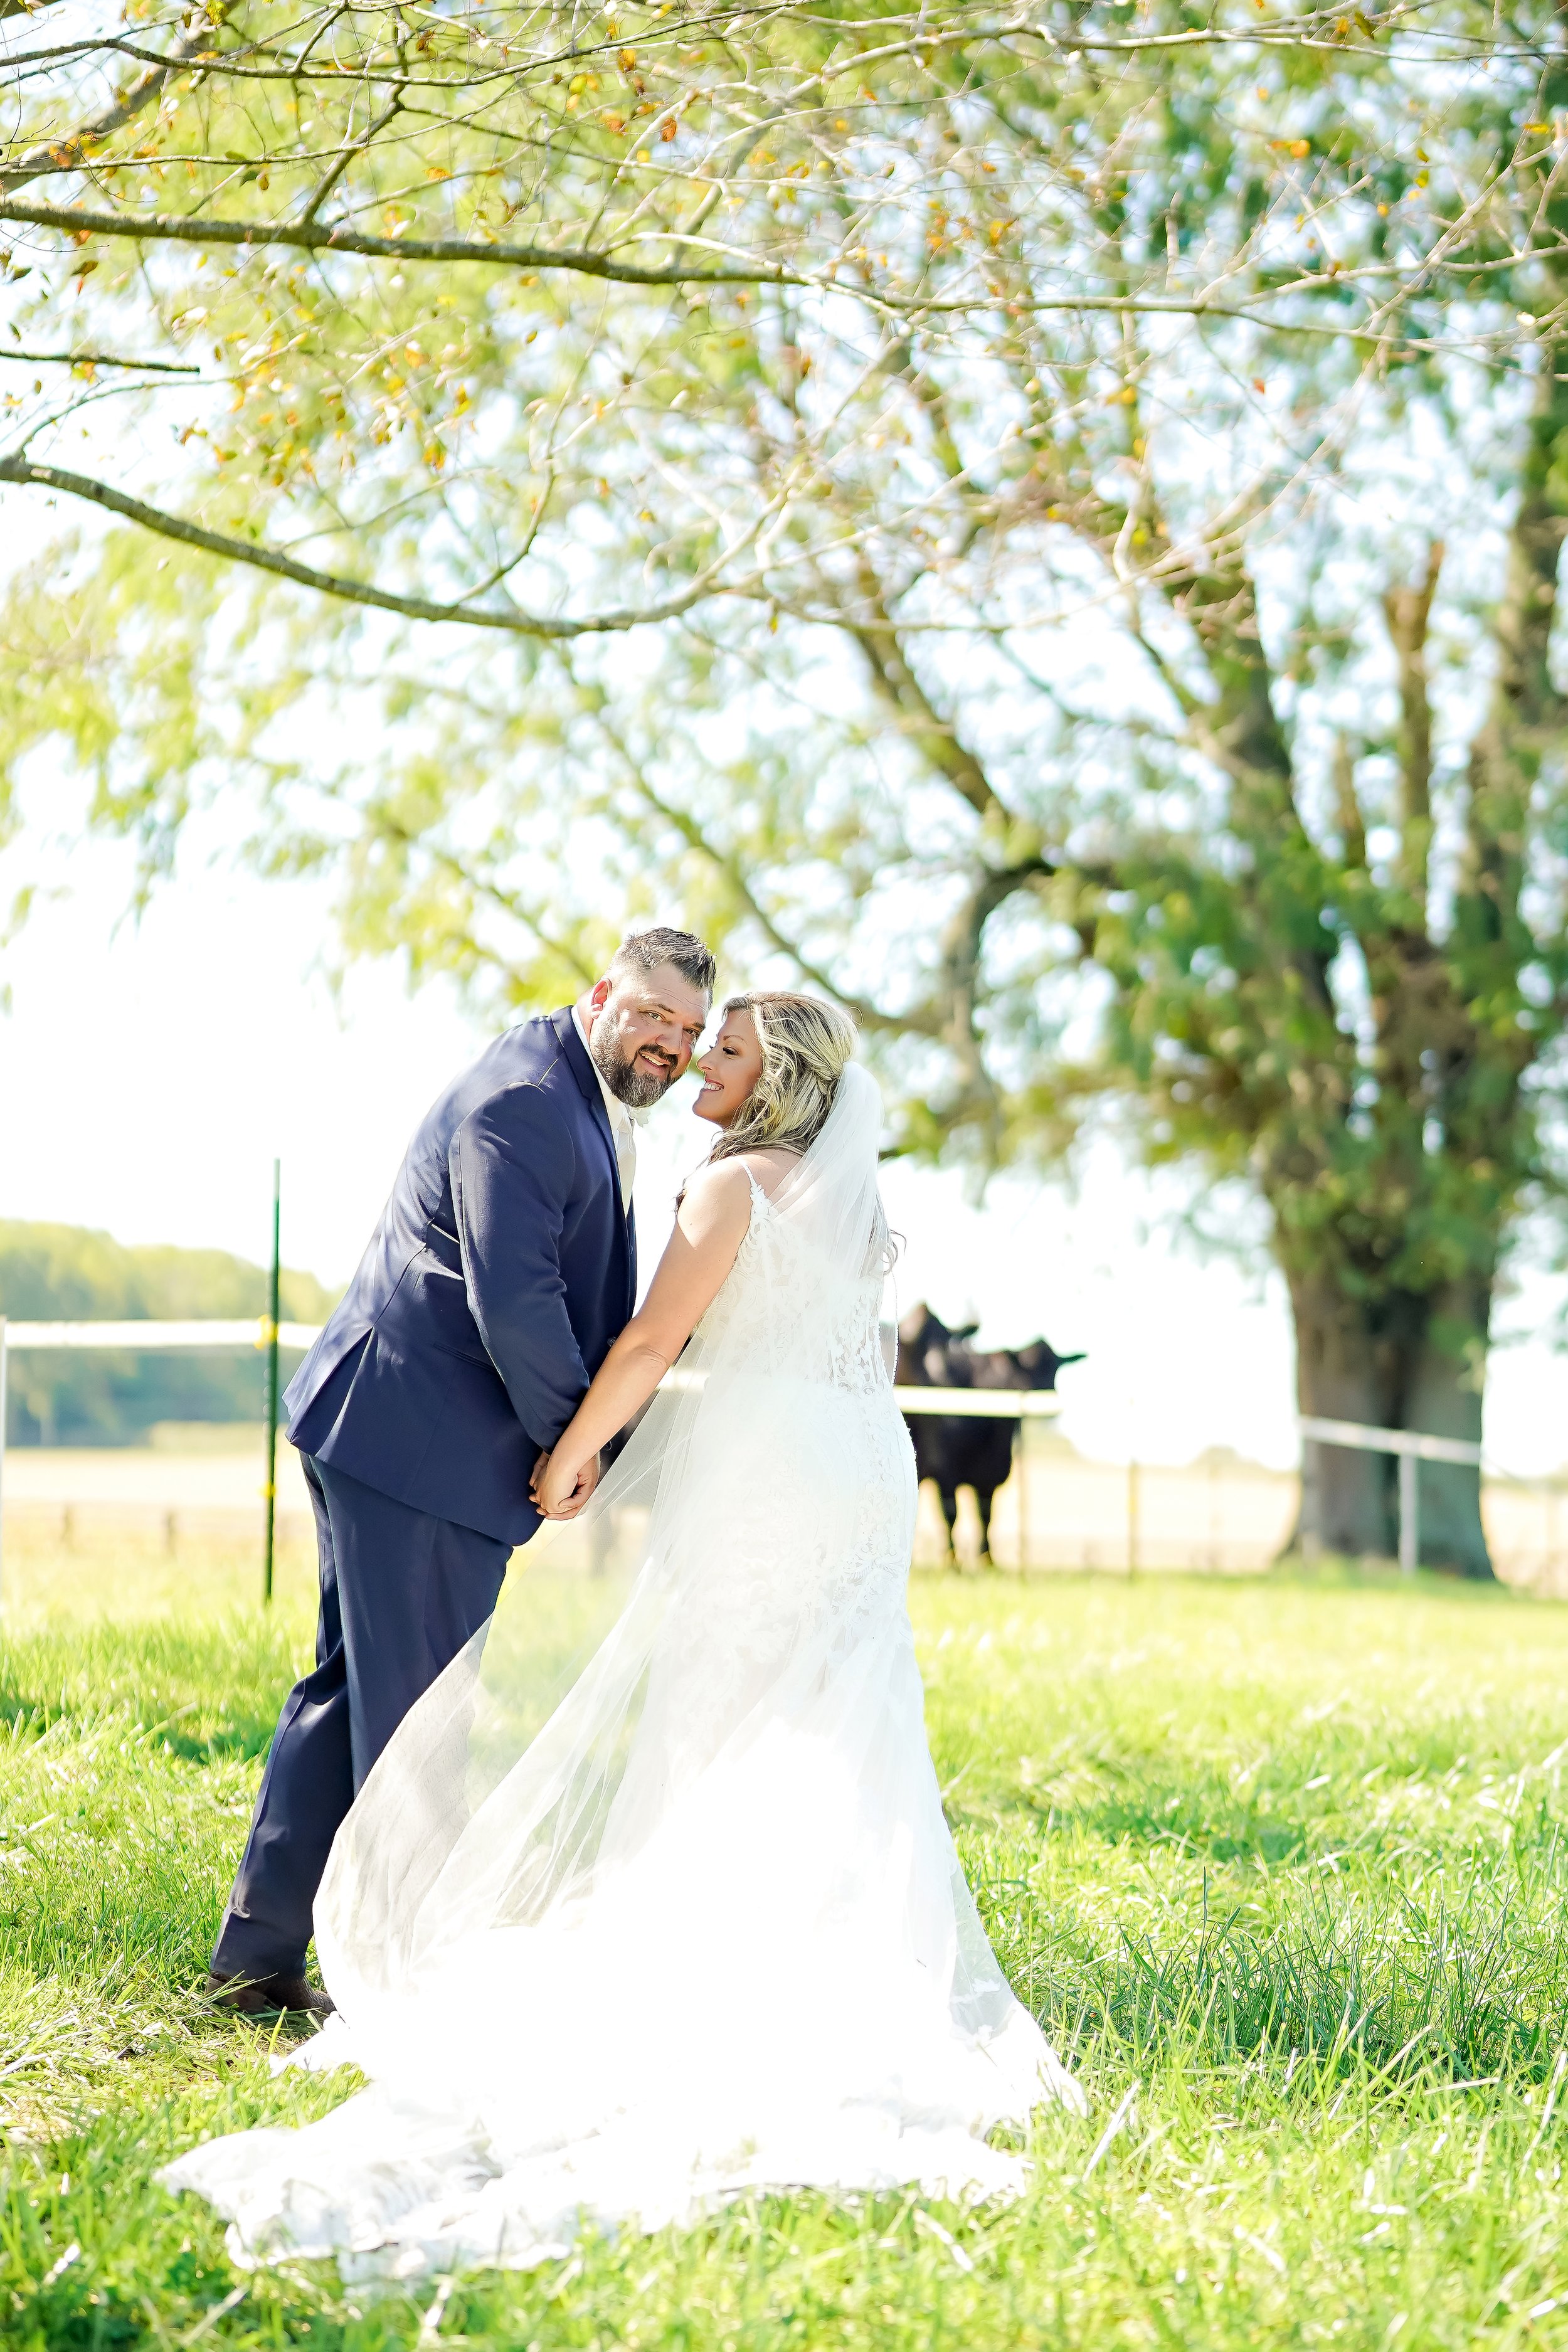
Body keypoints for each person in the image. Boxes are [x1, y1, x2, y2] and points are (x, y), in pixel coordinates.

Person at [164, 991, 1083, 2269]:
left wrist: (574, 1451)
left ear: (778, 1079)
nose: (703, 1061)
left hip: (768, 1478)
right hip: (859, 1472)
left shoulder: (734, 1190)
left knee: (718, 1706)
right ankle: (828, 1955)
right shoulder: (855, 1205)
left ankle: (703, 1959)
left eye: (727, 1048)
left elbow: (653, 1337)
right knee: (838, 1712)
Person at [204, 929, 715, 2016]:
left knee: (349, 1699)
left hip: (396, 1434)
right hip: (421, 1445)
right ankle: (395, 1980)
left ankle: (254, 1967)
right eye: (654, 1016)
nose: (670, 1045)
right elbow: (517, 1300)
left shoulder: (571, 1091)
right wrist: (576, 1449)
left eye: (689, 1031)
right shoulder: (529, 1098)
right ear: (601, 996)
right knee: (416, 1723)